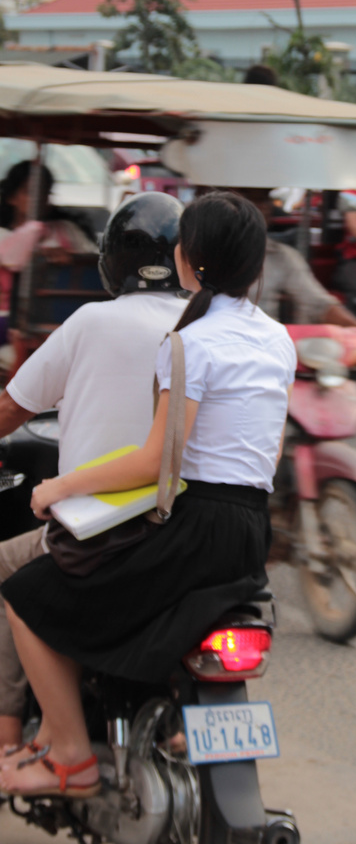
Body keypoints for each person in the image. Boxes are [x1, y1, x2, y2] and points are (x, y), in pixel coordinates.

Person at [0, 192, 295, 798]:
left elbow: (156, 462)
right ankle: (181, 721)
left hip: (191, 524)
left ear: (191, 258)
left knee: (27, 594)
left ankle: (71, 756)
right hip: (250, 533)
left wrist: (60, 485)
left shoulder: (190, 343)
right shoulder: (277, 339)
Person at [0, 192, 186, 751]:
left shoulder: (91, 321)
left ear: (114, 261)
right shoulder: (206, 325)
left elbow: (13, 408)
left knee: (10, 573)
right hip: (190, 531)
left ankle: (8, 735)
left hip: (101, 529)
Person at [238, 188, 356, 344]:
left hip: (260, 347)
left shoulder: (281, 256)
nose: (263, 207)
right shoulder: (210, 254)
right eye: (252, 199)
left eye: (264, 200)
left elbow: (317, 302)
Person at [0, 162, 97, 350]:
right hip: (11, 320)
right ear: (12, 197)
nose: (38, 199)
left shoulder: (67, 230)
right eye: (29, 192)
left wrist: (72, 258)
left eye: (44, 193)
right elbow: (13, 259)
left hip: (67, 319)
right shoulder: (3, 235)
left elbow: (95, 262)